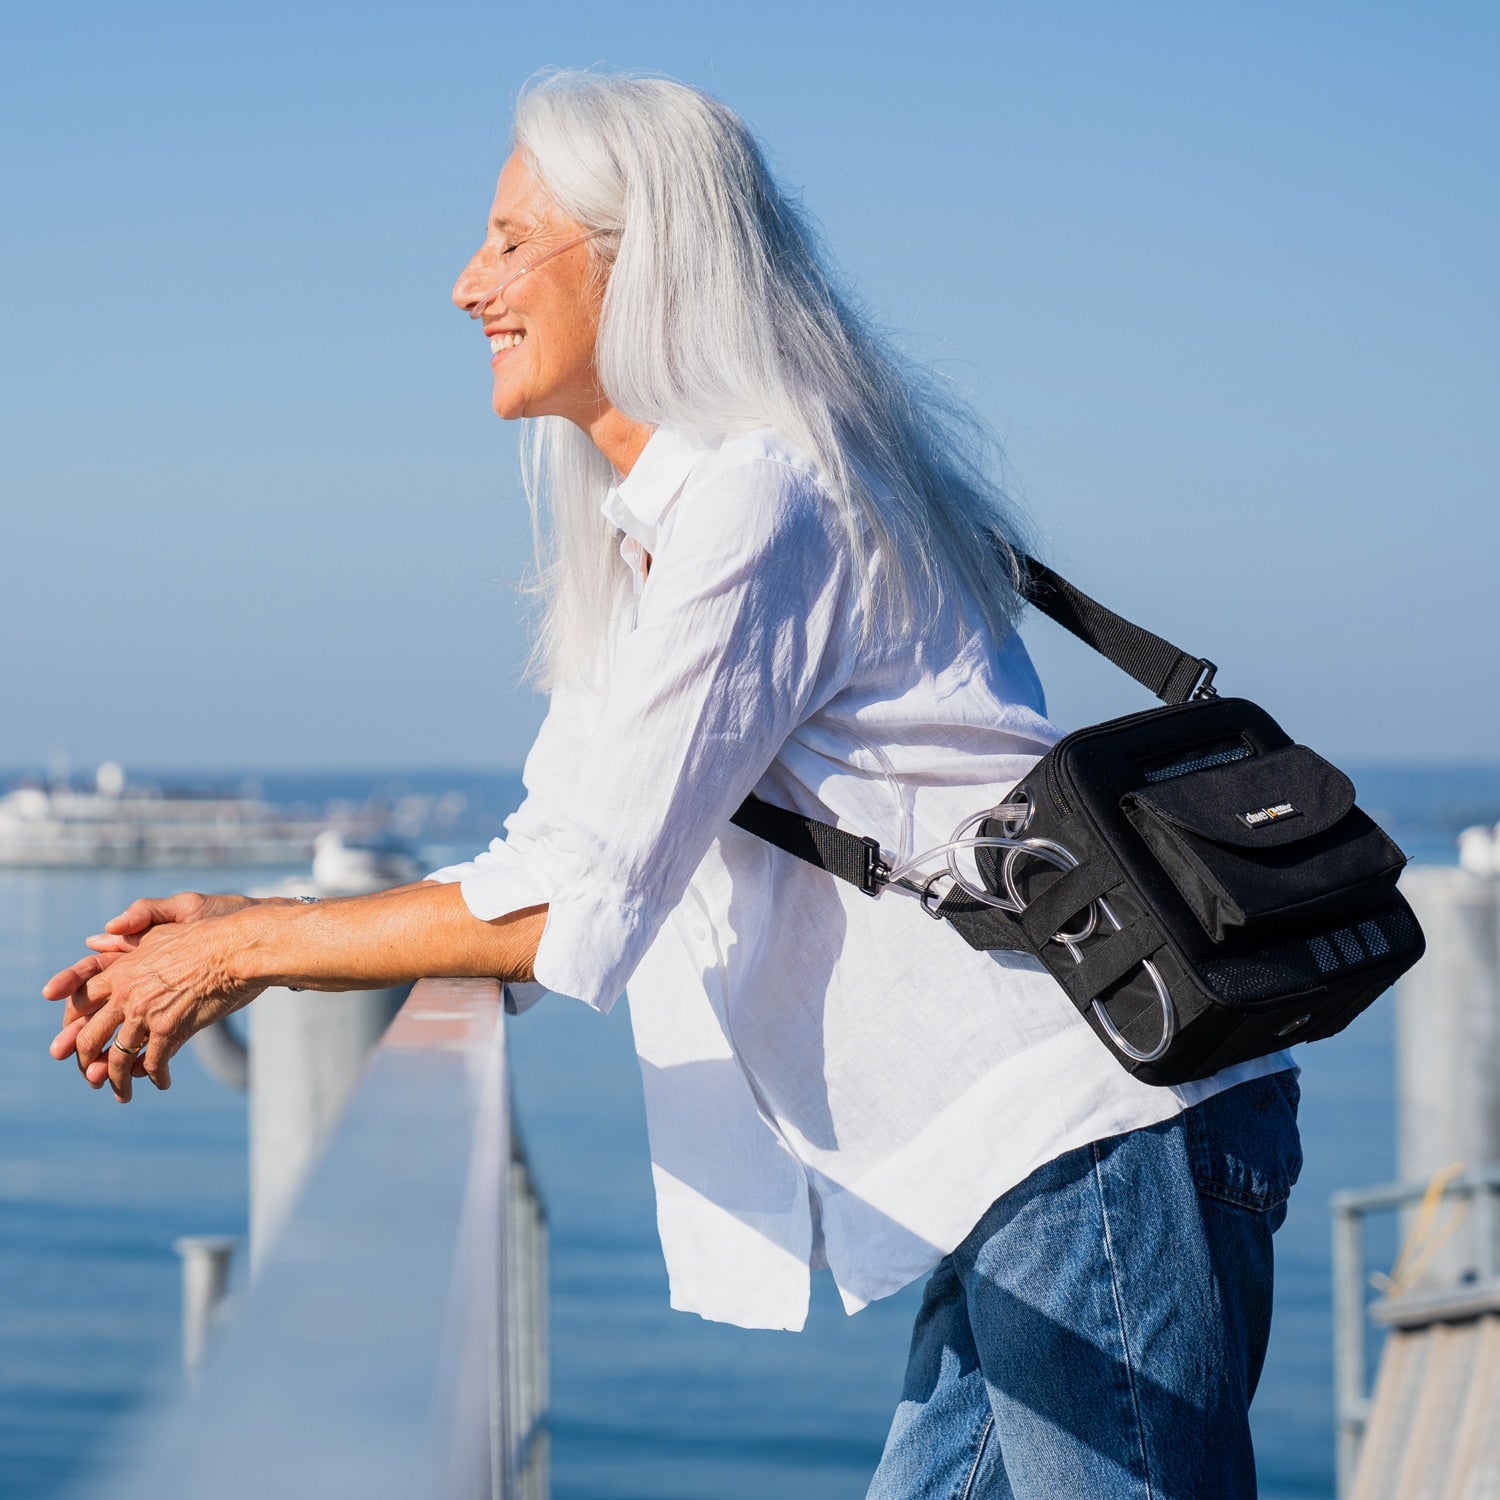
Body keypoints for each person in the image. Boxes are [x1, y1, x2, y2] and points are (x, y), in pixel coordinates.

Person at [44, 71, 1301, 1498]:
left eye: (511, 241)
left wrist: (244, 956)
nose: (467, 286)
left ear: (646, 260)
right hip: (1040, 1156)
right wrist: (251, 918)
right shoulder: (683, 519)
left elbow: (582, 905)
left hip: (1092, 1141)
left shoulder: (763, 496)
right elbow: (558, 849)